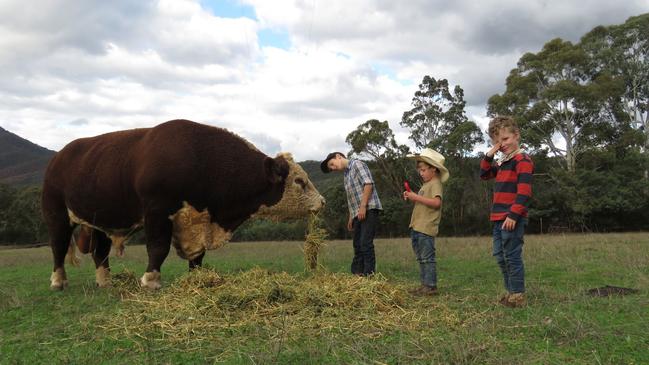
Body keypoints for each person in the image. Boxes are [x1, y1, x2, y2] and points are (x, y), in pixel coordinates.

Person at [480, 116, 534, 308]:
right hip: (497, 218)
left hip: (512, 218)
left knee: (511, 256)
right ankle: (511, 292)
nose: (501, 145)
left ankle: (518, 295)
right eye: (496, 142)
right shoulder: (503, 162)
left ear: (516, 135)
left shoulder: (522, 160)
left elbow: (524, 192)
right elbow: (484, 174)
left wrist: (513, 215)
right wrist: (490, 154)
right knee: (500, 256)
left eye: (505, 139)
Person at [321, 152, 382, 276]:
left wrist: (363, 207)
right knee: (357, 244)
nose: (333, 168)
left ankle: (369, 275)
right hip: (357, 213)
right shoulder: (346, 175)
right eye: (331, 168)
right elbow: (351, 197)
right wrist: (351, 216)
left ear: (338, 156)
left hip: (368, 209)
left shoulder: (357, 164)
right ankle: (357, 274)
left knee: (365, 242)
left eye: (332, 164)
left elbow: (368, 184)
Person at [403, 148, 449, 296]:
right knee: (421, 258)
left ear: (433, 169)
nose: (421, 173)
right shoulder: (426, 185)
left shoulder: (435, 183)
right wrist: (412, 196)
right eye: (420, 170)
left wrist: (415, 197)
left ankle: (430, 286)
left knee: (427, 258)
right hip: (417, 226)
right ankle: (425, 285)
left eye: (423, 170)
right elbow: (423, 202)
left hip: (426, 227)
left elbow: (436, 203)